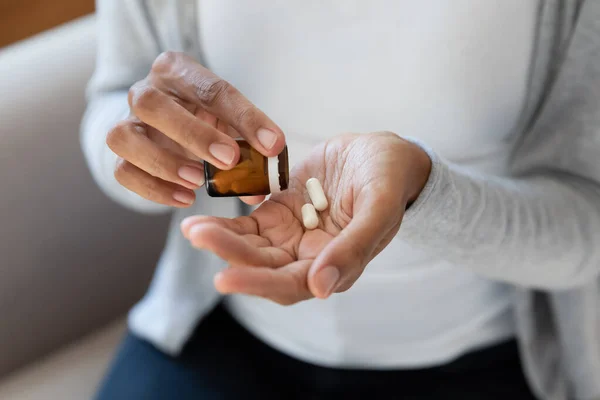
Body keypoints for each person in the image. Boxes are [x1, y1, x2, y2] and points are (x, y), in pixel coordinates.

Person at [82, 1, 600, 399]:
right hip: (224, 330)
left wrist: (422, 190)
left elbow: (587, 222)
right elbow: (111, 102)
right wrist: (152, 154)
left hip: (488, 361)